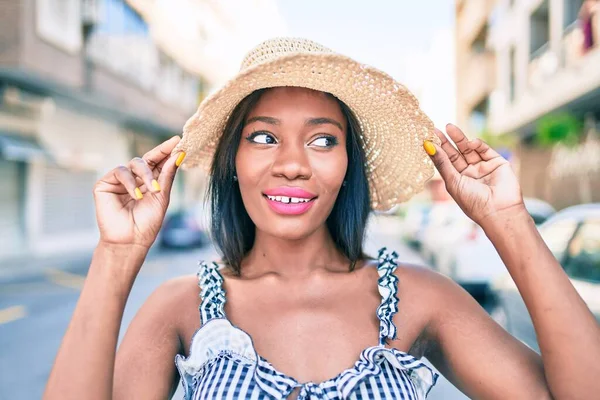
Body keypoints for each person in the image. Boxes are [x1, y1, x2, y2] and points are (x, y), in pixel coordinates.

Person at [45, 38, 599, 400]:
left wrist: (509, 221)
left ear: (347, 166)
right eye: (263, 137)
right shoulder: (179, 309)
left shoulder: (417, 297)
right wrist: (116, 256)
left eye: (322, 140)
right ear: (233, 163)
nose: (291, 164)